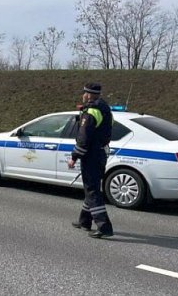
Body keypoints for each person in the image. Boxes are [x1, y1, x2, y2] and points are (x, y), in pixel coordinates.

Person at [67, 82, 114, 238]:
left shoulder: (91, 111)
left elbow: (83, 137)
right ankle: (85, 220)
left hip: (91, 155)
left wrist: (74, 157)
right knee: (91, 187)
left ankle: (104, 226)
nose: (83, 95)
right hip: (101, 153)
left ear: (88, 94)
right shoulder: (106, 109)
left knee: (92, 190)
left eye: (84, 93)